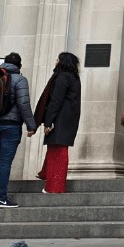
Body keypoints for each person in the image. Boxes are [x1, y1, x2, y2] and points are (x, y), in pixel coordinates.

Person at [0, 52, 37, 208]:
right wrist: (31, 125)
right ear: (19, 65)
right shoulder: (20, 79)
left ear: (4, 63)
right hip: (10, 126)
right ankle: (1, 198)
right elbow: (23, 104)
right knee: (5, 162)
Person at [35, 52, 82, 194]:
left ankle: (55, 186)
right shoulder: (74, 77)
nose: (56, 61)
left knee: (58, 151)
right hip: (69, 118)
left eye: (58, 59)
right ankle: (45, 173)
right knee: (56, 149)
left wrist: (48, 122)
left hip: (59, 119)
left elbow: (56, 101)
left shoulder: (62, 77)